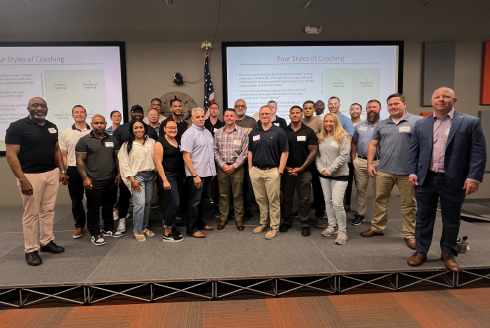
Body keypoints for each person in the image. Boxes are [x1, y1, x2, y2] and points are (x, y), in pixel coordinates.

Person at [407, 87, 486, 272]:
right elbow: (413, 150)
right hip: (425, 179)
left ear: (454, 100)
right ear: (432, 101)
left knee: (451, 219)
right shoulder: (422, 124)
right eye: (437, 97)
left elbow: (478, 152)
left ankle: (448, 252)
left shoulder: (469, 122)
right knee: (423, 217)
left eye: (445, 96)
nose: (441, 99)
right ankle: (420, 251)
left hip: (454, 180)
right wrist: (412, 171)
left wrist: (474, 177)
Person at [6, 97, 68, 266]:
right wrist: (22, 178)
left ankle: (46, 242)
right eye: (35, 105)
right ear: (28, 108)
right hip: (30, 175)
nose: (39, 108)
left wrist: (62, 170)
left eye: (42, 106)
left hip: (51, 173)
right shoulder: (17, 127)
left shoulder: (51, 126)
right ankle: (31, 249)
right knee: (31, 214)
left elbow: (56, 150)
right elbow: (11, 155)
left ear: (47, 109)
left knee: (48, 210)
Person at [361, 93, 423, 249]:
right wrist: (370, 164)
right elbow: (373, 144)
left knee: (409, 204)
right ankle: (377, 227)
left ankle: (409, 234)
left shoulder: (417, 122)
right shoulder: (382, 124)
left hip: (407, 173)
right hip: (384, 170)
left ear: (404, 104)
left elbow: (425, 146)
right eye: (390, 105)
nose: (393, 107)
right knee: (380, 200)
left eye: (396, 104)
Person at [76, 115, 123, 246]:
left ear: (105, 123)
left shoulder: (112, 139)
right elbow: (80, 161)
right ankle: (95, 233)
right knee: (93, 208)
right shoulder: (84, 141)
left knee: (109, 206)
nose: (99, 125)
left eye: (101, 123)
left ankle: (109, 228)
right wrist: (85, 178)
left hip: (111, 179)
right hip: (94, 180)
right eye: (96, 123)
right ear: (91, 124)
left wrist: (118, 173)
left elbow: (117, 158)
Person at [113, 105, 158, 232]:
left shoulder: (151, 142)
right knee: (139, 204)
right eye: (136, 128)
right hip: (135, 176)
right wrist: (131, 178)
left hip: (150, 176)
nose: (139, 129)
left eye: (141, 127)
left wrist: (156, 174)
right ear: (132, 130)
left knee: (147, 204)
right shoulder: (127, 144)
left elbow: (156, 159)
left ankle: (144, 227)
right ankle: (137, 229)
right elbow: (123, 162)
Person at [249, 105, 289, 239]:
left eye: (267, 114)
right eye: (262, 114)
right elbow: (250, 152)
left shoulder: (279, 132)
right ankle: (264, 223)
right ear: (259, 116)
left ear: (272, 115)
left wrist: (280, 171)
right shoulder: (254, 132)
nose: (264, 116)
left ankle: (274, 227)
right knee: (260, 200)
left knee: (273, 200)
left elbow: (285, 153)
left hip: (272, 171)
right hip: (256, 171)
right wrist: (250, 170)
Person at [279, 106, 318, 236]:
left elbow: (313, 151)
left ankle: (305, 223)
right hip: (286, 172)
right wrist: (284, 167)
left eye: (297, 113)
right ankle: (287, 221)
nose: (295, 115)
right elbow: (278, 151)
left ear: (301, 115)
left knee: (304, 200)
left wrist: (302, 168)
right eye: (292, 113)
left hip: (304, 171)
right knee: (287, 199)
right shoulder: (283, 132)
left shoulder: (309, 131)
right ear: (289, 115)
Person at [316, 113, 351, 244]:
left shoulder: (343, 136)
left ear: (336, 122)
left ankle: (342, 231)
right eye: (326, 121)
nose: (328, 124)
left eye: (331, 121)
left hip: (339, 175)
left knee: (337, 203)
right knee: (328, 201)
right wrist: (320, 169)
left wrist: (330, 170)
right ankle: (332, 226)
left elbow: (343, 157)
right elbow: (317, 155)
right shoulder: (321, 136)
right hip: (323, 174)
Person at [181, 108, 216, 238]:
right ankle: (191, 229)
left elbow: (210, 153)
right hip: (196, 174)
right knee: (194, 201)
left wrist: (212, 170)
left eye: (202, 116)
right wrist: (195, 175)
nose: (201, 119)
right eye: (198, 117)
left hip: (208, 172)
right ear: (192, 119)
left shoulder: (207, 132)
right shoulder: (189, 134)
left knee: (205, 199)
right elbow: (186, 157)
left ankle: (201, 223)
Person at [59, 105, 92, 238]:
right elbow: (63, 154)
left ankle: (93, 224)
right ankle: (79, 225)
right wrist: (63, 172)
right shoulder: (65, 133)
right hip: (73, 169)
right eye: (76, 112)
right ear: (72, 115)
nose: (79, 114)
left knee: (93, 199)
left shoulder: (93, 131)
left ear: (86, 114)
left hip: (91, 169)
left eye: (82, 112)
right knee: (76, 199)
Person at [213, 108, 249, 231]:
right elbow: (215, 150)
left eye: (231, 116)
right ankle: (223, 218)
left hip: (237, 168)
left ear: (235, 118)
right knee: (223, 195)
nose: (229, 118)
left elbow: (245, 152)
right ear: (224, 117)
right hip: (222, 168)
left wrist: (233, 166)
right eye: (227, 116)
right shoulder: (218, 133)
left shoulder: (242, 132)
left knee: (238, 195)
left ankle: (239, 219)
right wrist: (223, 165)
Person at [350, 100, 381, 226]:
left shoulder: (384, 125)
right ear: (366, 110)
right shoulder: (359, 126)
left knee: (378, 192)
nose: (371, 109)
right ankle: (360, 214)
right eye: (369, 107)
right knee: (361, 189)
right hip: (361, 161)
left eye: (374, 107)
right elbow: (354, 142)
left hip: (378, 162)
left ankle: (377, 218)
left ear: (380, 108)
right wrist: (353, 159)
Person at [154, 120, 185, 242]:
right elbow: (158, 163)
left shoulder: (176, 141)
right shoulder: (160, 143)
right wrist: (165, 180)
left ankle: (171, 227)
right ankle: (166, 233)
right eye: (170, 127)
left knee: (175, 203)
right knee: (174, 203)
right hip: (167, 175)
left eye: (175, 127)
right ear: (164, 129)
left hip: (177, 175)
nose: (173, 130)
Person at [327, 96, 355, 212]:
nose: (332, 105)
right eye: (330, 103)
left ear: (339, 105)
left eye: (335, 103)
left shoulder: (346, 121)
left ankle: (344, 205)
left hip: (342, 159)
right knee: (329, 188)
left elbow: (348, 140)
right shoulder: (326, 119)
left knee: (343, 187)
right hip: (328, 159)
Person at [302, 100, 325, 228]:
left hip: (316, 160)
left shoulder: (319, 123)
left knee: (318, 189)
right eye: (305, 108)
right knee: (302, 189)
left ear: (314, 109)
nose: (307, 110)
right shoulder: (299, 122)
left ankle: (319, 215)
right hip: (303, 161)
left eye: (310, 108)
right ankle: (301, 213)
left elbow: (324, 140)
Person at [234, 99, 258, 220]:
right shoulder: (230, 120)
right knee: (236, 186)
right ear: (234, 108)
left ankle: (247, 209)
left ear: (246, 108)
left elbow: (257, 139)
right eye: (237, 106)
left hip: (249, 159)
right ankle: (235, 210)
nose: (240, 108)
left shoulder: (252, 121)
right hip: (234, 160)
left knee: (249, 186)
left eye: (242, 106)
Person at [204, 102, 225, 218]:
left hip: (218, 157)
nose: (213, 110)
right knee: (206, 183)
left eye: (216, 108)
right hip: (205, 158)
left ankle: (217, 207)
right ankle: (205, 208)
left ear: (218, 111)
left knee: (217, 185)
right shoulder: (204, 124)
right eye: (212, 108)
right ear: (209, 110)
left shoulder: (222, 125)